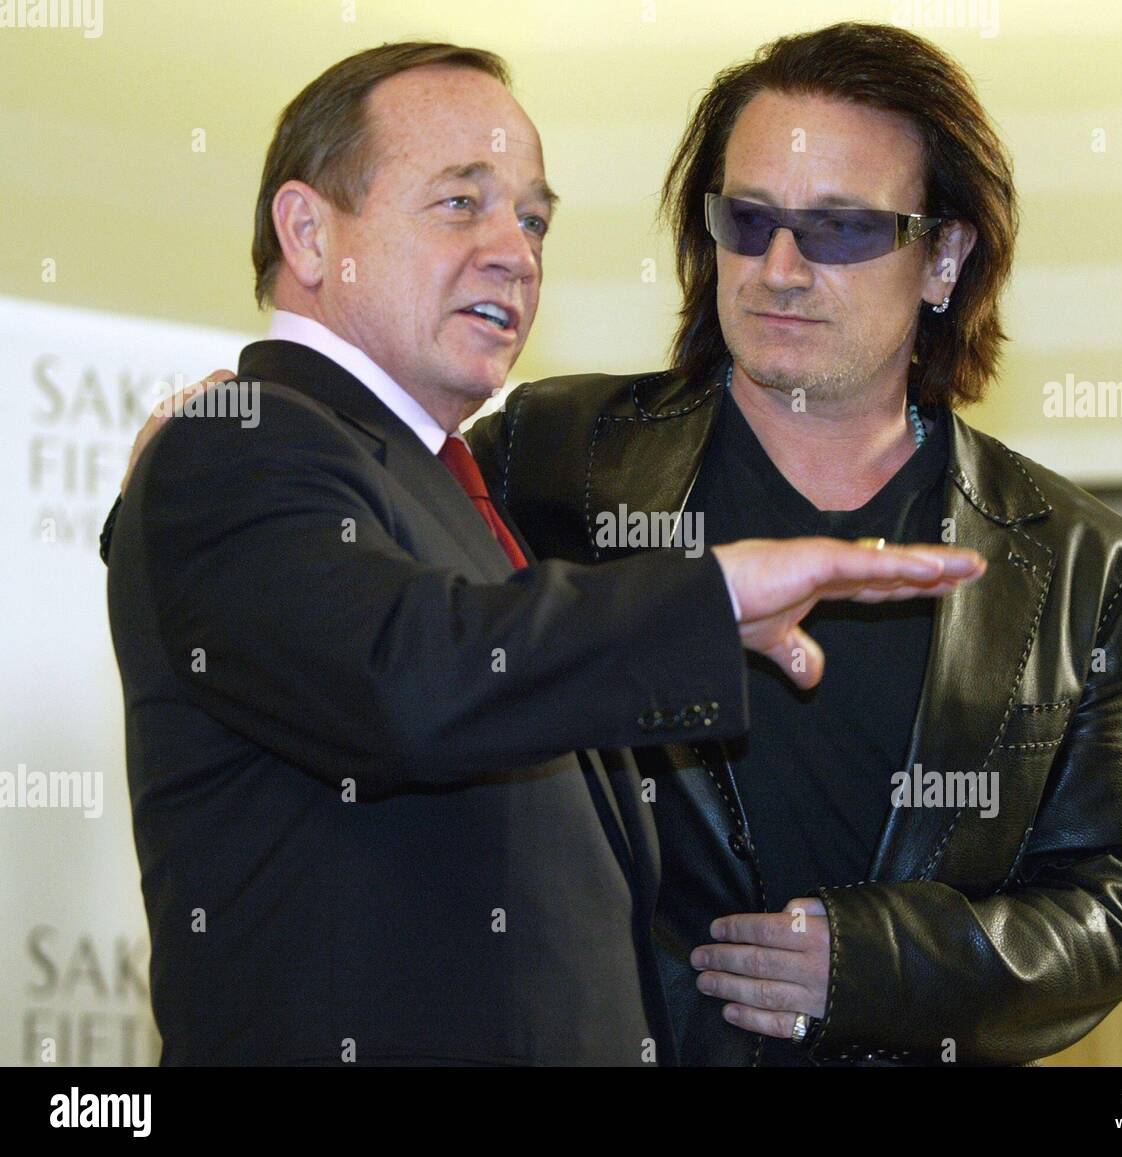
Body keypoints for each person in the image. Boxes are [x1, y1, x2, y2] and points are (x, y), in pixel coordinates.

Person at [102, 41, 984, 1066]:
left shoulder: (450, 490)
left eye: (532, 219)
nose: (514, 252)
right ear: (308, 232)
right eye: (459, 204)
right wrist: (704, 603)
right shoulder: (239, 441)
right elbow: (404, 676)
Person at [465, 23, 1122, 1066]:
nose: (777, 269)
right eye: (745, 221)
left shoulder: (1080, 561)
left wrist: (876, 964)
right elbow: (364, 607)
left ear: (944, 254)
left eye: (838, 230)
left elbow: (1118, 905)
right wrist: (264, 429)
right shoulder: (558, 457)